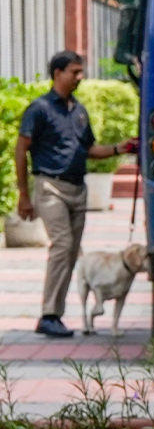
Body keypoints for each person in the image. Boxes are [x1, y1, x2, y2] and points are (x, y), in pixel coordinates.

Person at [14, 51, 134, 338]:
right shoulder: (39, 109)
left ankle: (55, 314)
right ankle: (49, 314)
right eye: (74, 72)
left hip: (77, 188)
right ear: (57, 73)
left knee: (70, 254)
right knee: (63, 245)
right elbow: (21, 149)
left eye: (81, 72)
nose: (80, 77)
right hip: (50, 186)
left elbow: (89, 150)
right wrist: (23, 195)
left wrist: (120, 148)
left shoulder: (79, 111)